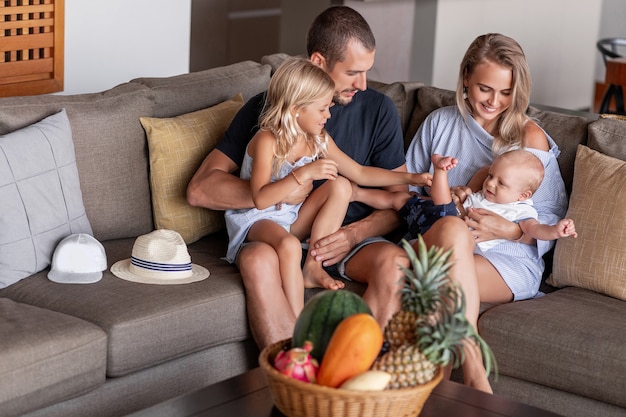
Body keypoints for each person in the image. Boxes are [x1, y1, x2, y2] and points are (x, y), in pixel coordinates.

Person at [187, 6, 415, 351]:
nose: (363, 84)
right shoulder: (269, 109)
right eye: (353, 72)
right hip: (278, 229)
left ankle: (350, 377)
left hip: (345, 241)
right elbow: (201, 189)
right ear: (319, 62)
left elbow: (398, 201)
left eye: (367, 72)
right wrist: (285, 190)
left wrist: (353, 233)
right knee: (256, 258)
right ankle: (295, 372)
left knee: (396, 265)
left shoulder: (379, 110)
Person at [404, 33, 569, 392]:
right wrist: (452, 200)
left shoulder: (529, 138)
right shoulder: (439, 123)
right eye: (484, 89)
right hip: (446, 242)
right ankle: (465, 381)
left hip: (508, 259)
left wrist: (508, 230)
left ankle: (435, 391)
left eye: (506, 92)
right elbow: (408, 193)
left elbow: (550, 217)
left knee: (437, 284)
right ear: (465, 78)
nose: (494, 102)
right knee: (441, 271)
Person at [224, 58, 431, 317]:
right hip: (256, 220)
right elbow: (260, 199)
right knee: (287, 245)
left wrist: (411, 179)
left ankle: (313, 265)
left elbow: (360, 173)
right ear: (296, 109)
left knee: (341, 185)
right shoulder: (267, 140)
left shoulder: (317, 138)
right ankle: (297, 323)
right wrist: (303, 174)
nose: (329, 115)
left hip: (288, 218)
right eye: (322, 109)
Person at [356, 149, 577, 250]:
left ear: (523, 195)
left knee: (444, 212)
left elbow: (535, 231)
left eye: (501, 183)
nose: (490, 184)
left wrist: (556, 231)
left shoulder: (521, 211)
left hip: (452, 237)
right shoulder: (483, 194)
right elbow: (456, 203)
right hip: (441, 216)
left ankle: (440, 171)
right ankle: (357, 193)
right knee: (401, 199)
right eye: (491, 176)